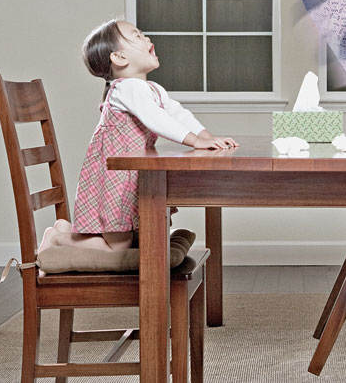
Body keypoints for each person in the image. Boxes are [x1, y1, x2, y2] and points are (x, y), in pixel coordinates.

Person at [38, 19, 238, 253]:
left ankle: (64, 228)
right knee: (119, 246)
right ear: (119, 58)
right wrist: (197, 141)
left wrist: (208, 137)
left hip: (131, 175)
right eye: (138, 36)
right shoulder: (126, 88)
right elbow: (158, 119)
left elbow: (179, 115)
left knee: (138, 237)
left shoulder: (152, 89)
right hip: (117, 177)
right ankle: (56, 238)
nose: (147, 39)